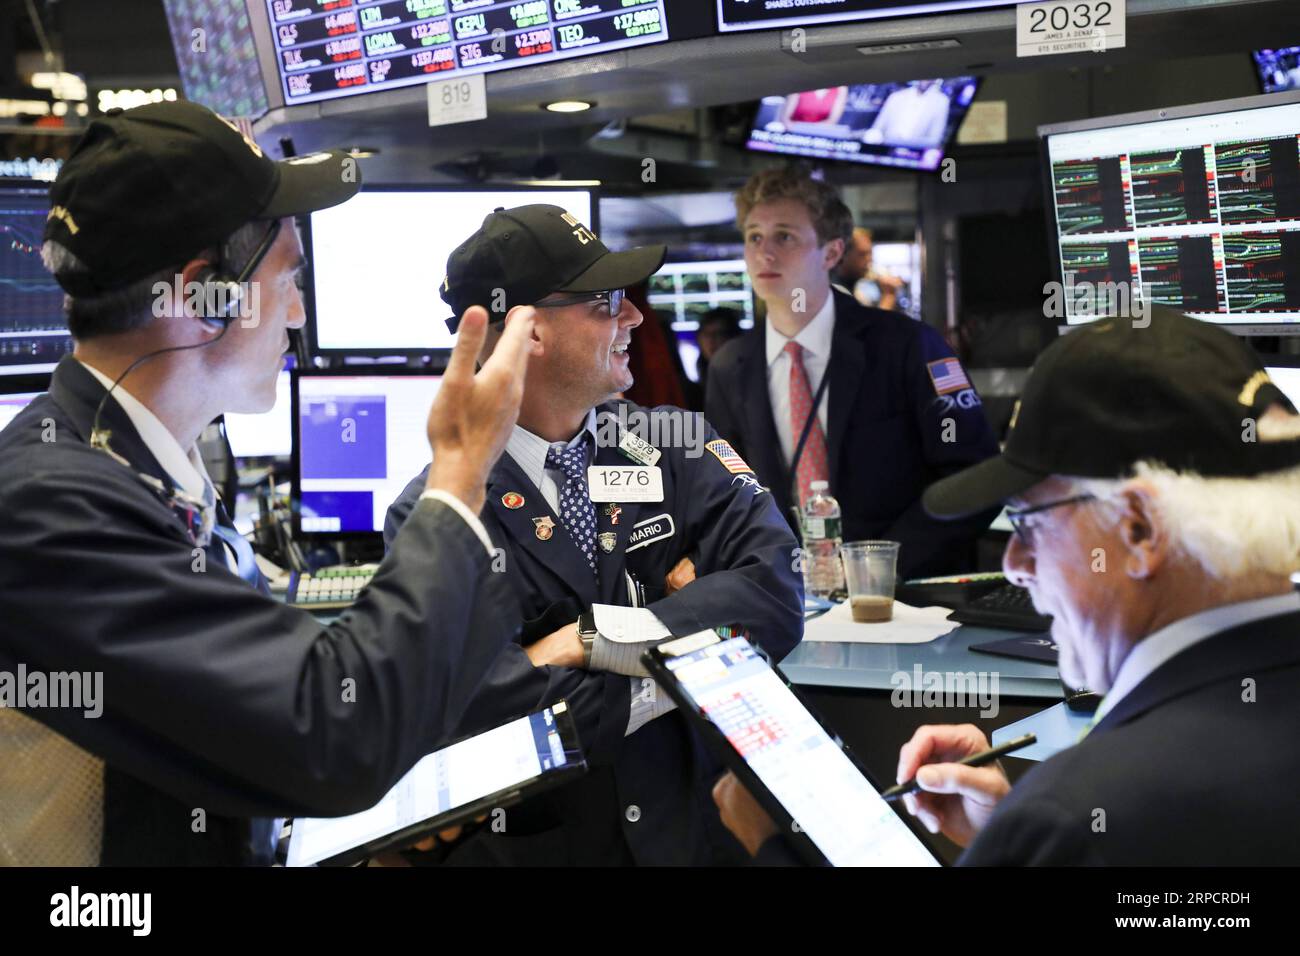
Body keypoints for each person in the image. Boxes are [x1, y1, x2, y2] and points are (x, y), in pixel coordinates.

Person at [0, 101, 536, 865]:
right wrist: (458, 474)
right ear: (204, 294)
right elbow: (333, 735)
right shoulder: (48, 504)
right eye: (289, 278)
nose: (299, 313)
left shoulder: (139, 466)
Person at [714, 305, 1300, 865]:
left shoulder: (1075, 816)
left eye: (1029, 520)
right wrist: (1013, 839)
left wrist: (772, 847)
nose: (1015, 562)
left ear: (1140, 528)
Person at [384, 205, 804, 865]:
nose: (634, 317)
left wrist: (587, 642)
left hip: (697, 841)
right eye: (606, 301)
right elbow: (479, 712)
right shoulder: (437, 511)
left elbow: (777, 595)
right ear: (529, 333)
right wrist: (688, 658)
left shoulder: (676, 443)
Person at [705, 168, 999, 578]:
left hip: (909, 595)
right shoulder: (730, 366)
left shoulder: (908, 345)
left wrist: (877, 567)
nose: (764, 253)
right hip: (790, 600)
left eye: (784, 236)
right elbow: (728, 492)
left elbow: (976, 476)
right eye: (754, 236)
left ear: (831, 252)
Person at [831, 227, 904, 313]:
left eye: (870, 253)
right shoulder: (833, 292)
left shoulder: (853, 287)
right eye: (862, 254)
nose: (869, 260)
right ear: (843, 254)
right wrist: (888, 296)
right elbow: (872, 326)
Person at [866, 80, 951, 149]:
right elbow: (877, 128)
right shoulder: (896, 96)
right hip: (886, 150)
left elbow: (935, 139)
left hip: (914, 156)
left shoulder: (941, 101)